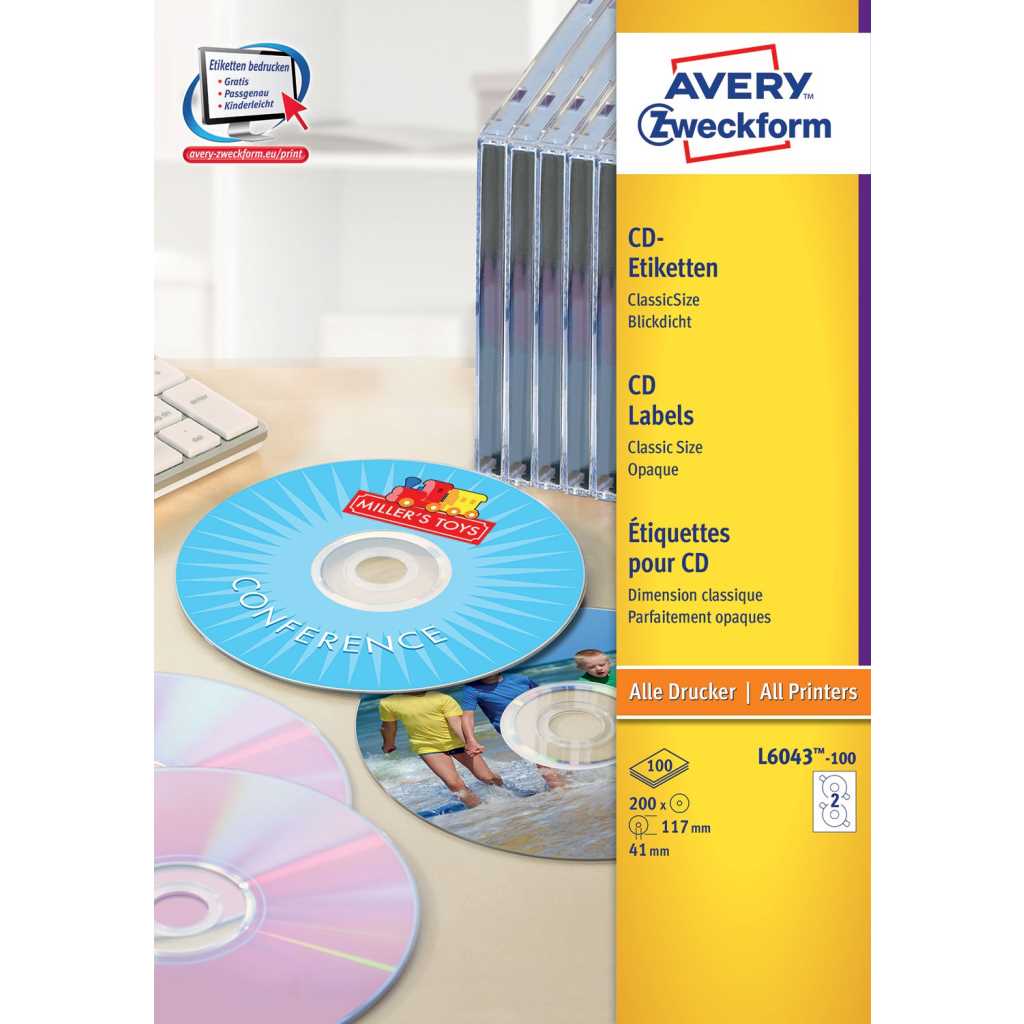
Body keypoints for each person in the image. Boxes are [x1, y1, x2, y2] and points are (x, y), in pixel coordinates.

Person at [379, 691, 503, 809]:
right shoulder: (388, 703)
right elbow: (388, 726)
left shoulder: (442, 698)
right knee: (454, 785)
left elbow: (456, 723)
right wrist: (388, 744)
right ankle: (481, 810)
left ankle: (505, 793)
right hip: (427, 747)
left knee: (487, 777)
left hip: (458, 743)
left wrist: (469, 743)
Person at [459, 672, 567, 789]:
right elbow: (468, 716)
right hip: (512, 729)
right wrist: (471, 740)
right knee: (540, 757)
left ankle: (566, 787)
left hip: (538, 721)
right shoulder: (472, 689)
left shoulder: (520, 679)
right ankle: (559, 789)